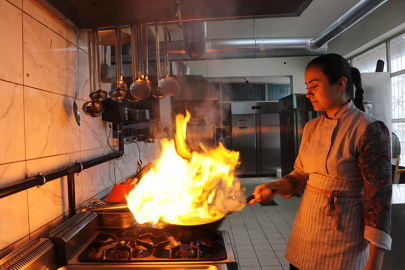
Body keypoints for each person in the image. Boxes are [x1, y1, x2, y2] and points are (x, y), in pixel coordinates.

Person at [249, 53, 392, 270]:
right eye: (307, 86)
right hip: (305, 239)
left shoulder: (368, 129)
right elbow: (300, 174)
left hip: (345, 243)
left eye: (314, 85)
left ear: (341, 84)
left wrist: (375, 262)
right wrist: (276, 186)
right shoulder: (311, 127)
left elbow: (378, 201)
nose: (308, 93)